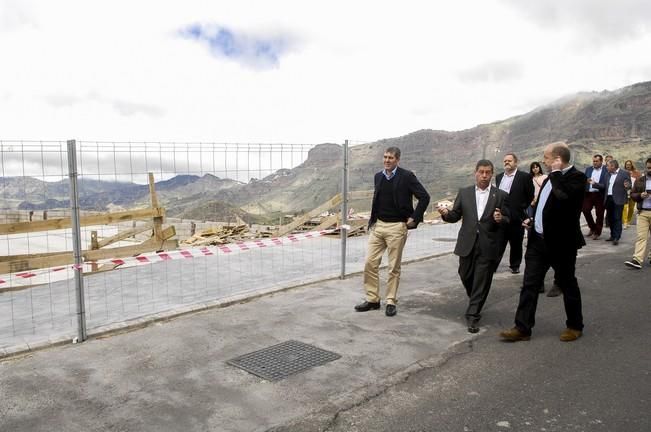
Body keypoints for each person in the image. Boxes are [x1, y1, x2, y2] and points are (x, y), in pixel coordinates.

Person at [500, 142, 586, 342]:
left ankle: (575, 326)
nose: (543, 161)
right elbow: (543, 205)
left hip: (562, 244)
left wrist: (555, 174)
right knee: (529, 284)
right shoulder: (549, 180)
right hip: (538, 241)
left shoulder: (577, 178)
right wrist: (533, 220)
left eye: (547, 158)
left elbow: (563, 198)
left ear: (558, 159)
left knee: (567, 283)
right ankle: (522, 328)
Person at [355, 146, 430, 317]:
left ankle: (390, 301)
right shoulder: (378, 176)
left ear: (397, 160)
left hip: (397, 227)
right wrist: (373, 221)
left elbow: (425, 197)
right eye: (385, 157)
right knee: (369, 263)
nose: (387, 160)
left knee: (393, 267)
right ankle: (373, 299)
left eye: (390, 158)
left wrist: (415, 218)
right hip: (379, 225)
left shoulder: (407, 176)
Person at [438, 160, 510, 333]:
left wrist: (502, 219)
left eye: (488, 172)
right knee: (465, 274)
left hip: (488, 244)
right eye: (481, 172)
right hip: (467, 243)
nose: (484, 175)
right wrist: (446, 214)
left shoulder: (500, 195)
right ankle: (476, 299)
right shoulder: (464, 193)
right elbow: (455, 215)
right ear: (475, 173)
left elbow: (508, 219)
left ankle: (473, 315)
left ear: (492, 174)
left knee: (481, 279)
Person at [496, 153, 534, 274]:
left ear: (516, 163)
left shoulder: (524, 177)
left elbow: (530, 195)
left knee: (516, 242)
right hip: (501, 215)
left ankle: (515, 265)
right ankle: (493, 264)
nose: (507, 162)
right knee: (498, 241)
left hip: (516, 215)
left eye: (509, 161)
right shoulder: (498, 177)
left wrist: (521, 207)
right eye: (505, 161)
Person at [624, 157, 651, 269]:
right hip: (643, 212)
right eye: (648, 167)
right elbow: (633, 195)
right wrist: (640, 195)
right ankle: (637, 260)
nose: (649, 170)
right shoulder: (640, 180)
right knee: (641, 237)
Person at [604, 159, 631, 246]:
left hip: (619, 199)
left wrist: (627, 186)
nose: (606, 167)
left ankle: (616, 237)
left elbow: (629, 185)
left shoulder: (624, 173)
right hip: (609, 198)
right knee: (610, 218)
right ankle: (612, 235)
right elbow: (605, 186)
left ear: (613, 166)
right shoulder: (608, 174)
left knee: (617, 218)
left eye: (607, 166)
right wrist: (594, 184)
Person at [582, 154, 608, 240]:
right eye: (594, 161)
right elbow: (585, 179)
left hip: (599, 194)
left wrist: (595, 184)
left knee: (599, 214)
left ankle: (597, 232)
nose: (595, 163)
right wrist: (586, 181)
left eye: (597, 161)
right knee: (585, 210)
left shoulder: (606, 170)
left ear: (601, 161)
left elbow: (605, 185)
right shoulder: (589, 169)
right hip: (588, 194)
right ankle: (592, 227)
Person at [622, 160, 641, 229]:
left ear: (632, 165)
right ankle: (625, 222)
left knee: (631, 208)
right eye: (627, 164)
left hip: (633, 192)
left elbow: (640, 182)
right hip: (624, 192)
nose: (628, 166)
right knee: (624, 207)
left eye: (629, 164)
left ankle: (629, 221)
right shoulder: (622, 172)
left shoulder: (636, 173)